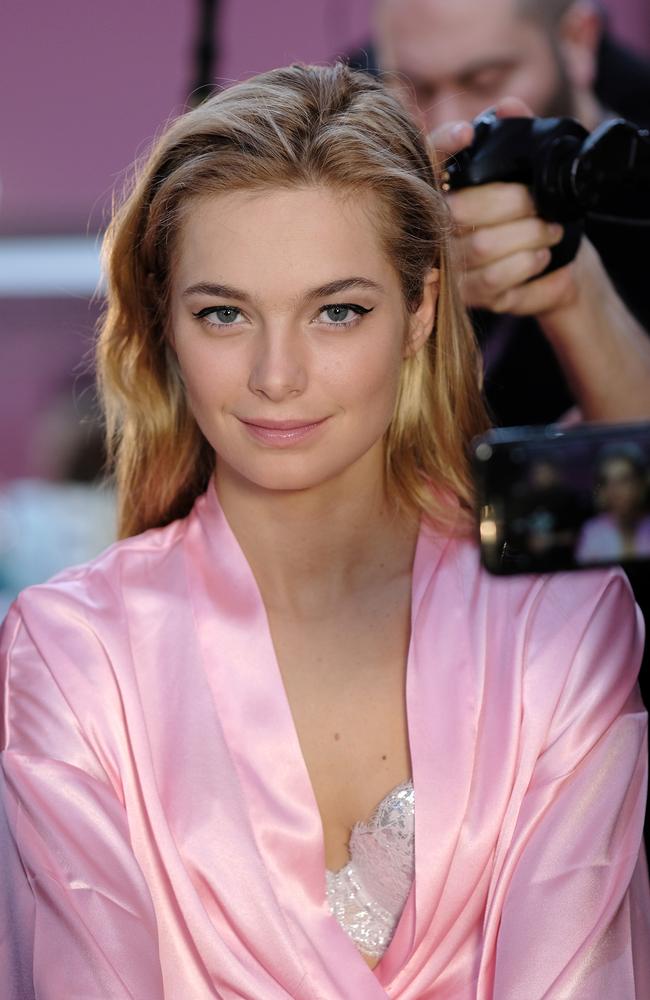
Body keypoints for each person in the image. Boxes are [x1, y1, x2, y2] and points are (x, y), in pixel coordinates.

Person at [1, 64, 648, 999]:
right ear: (167, 326)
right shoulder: (74, 653)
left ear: (420, 310)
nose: (276, 374)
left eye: (337, 311)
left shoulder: (564, 622)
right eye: (224, 314)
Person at [348, 0, 650, 426]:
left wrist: (573, 290)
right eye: (415, 88)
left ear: (577, 40)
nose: (450, 123)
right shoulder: (355, 122)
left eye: (484, 81)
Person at [576, 444, 650, 562]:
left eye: (624, 480)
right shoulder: (592, 531)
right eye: (607, 482)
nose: (614, 491)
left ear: (640, 484)